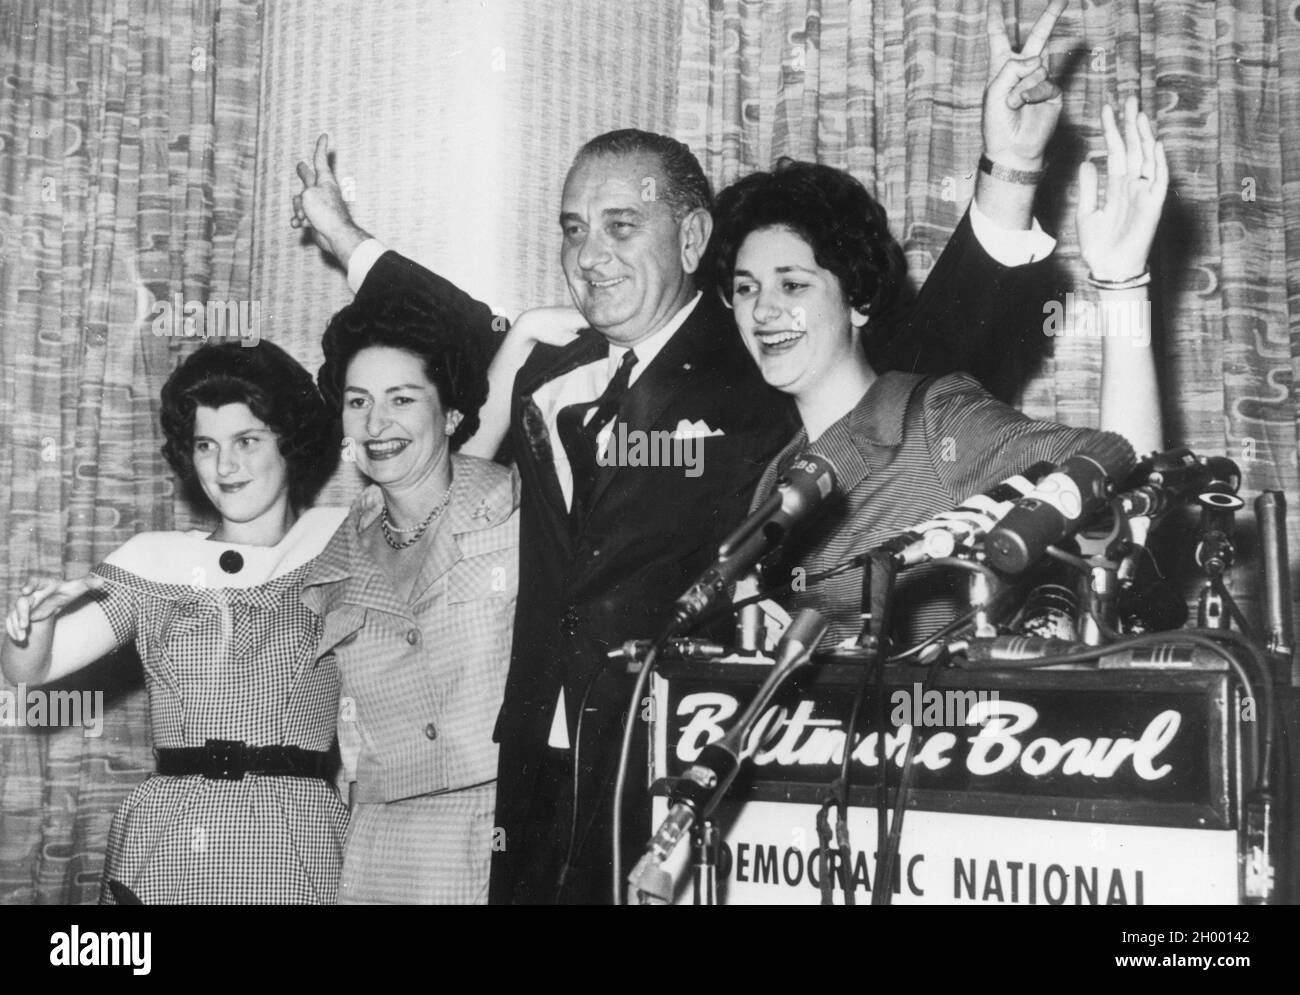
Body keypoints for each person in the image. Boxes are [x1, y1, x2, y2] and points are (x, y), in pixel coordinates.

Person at [291, 0, 1072, 904]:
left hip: (685, 756)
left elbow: (928, 346)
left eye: (622, 225)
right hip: (538, 767)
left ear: (692, 238)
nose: (588, 256)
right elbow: (460, 332)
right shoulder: (558, 361)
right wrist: (349, 239)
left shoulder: (760, 350)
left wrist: (1009, 172)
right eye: (573, 228)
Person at [713, 96, 1167, 646]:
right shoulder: (779, 477)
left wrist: (1123, 284)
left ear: (857, 299)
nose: (763, 309)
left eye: (793, 284)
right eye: (745, 288)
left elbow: (1127, 476)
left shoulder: (932, 419)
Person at [2, 342, 347, 904]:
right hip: (170, 843)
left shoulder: (340, 545)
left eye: (247, 441)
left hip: (296, 841)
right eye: (206, 445)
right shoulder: (152, 560)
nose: (224, 466)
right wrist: (29, 628)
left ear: (289, 442)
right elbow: (31, 673)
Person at [299, 290, 520, 903]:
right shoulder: (334, 562)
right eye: (358, 402)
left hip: (500, 827)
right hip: (382, 848)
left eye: (402, 399)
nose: (376, 425)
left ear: (450, 413)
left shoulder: (518, 512)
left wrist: (526, 333)